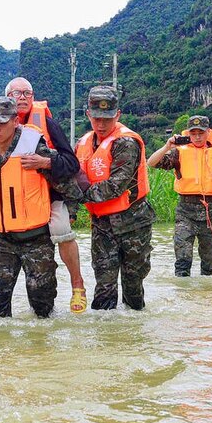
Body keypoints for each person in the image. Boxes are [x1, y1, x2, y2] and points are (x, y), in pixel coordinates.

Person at [0, 77, 86, 313]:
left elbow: (70, 165)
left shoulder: (42, 132)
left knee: (61, 231)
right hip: (5, 217)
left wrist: (46, 163)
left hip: (45, 200)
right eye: (17, 94)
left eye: (26, 94)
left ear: (15, 121)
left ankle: (77, 285)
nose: (22, 98)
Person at [75, 86, 155, 310]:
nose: (101, 124)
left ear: (117, 115)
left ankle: (133, 337)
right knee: (104, 286)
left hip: (133, 225)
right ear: (88, 114)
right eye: (97, 118)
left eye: (107, 119)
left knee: (133, 285)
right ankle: (105, 339)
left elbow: (115, 186)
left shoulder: (126, 143)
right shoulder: (82, 143)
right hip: (102, 225)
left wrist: (77, 194)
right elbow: (70, 173)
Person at [147, 115, 212, 277]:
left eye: (201, 132)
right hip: (186, 212)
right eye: (193, 133)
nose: (197, 137)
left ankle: (206, 296)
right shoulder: (178, 152)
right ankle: (183, 296)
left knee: (210, 263)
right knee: (182, 260)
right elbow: (151, 163)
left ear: (208, 132)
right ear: (188, 134)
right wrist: (167, 147)